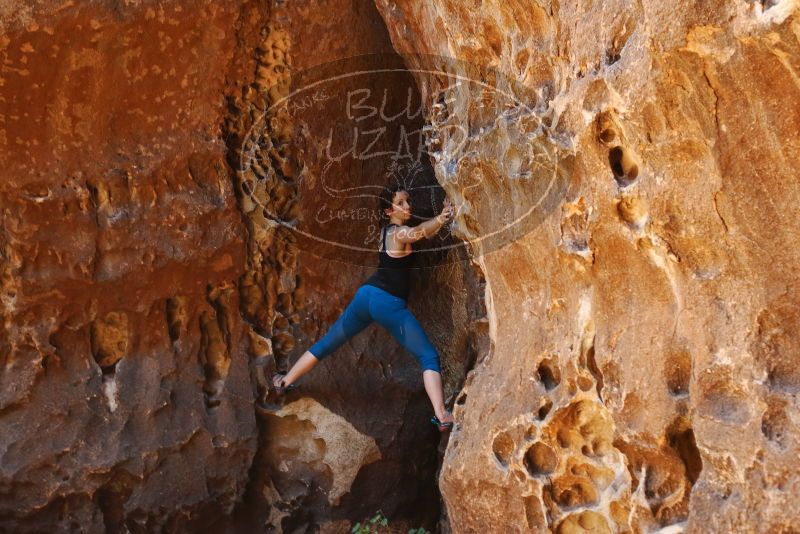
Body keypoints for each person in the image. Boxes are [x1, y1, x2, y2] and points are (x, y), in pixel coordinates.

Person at [271, 183, 456, 431]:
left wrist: (436, 222)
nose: (407, 206)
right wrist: (442, 218)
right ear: (388, 212)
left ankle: (285, 381)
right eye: (400, 203)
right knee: (428, 356)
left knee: (327, 343)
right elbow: (420, 232)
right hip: (387, 303)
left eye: (407, 201)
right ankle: (442, 415)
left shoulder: (384, 233)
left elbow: (421, 232)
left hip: (366, 296)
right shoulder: (398, 234)